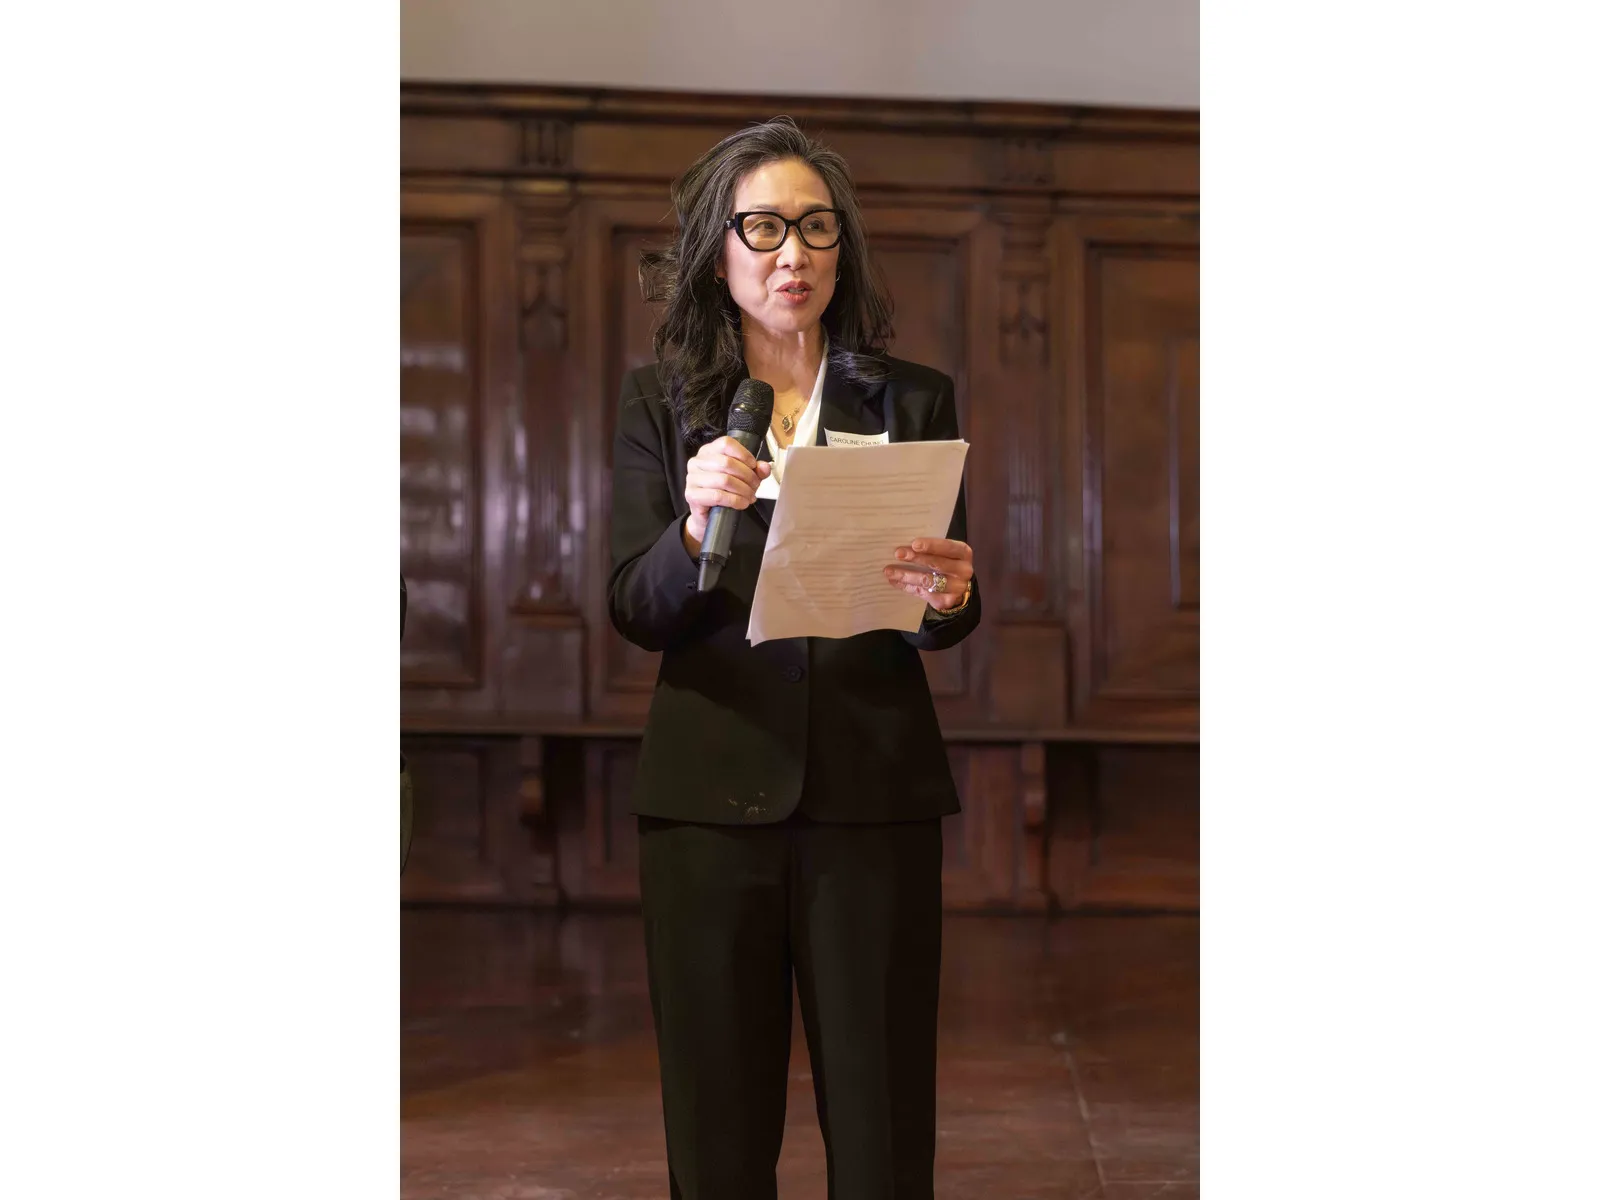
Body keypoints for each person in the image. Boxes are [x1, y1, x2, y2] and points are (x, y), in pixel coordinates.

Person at [608, 116, 981, 1200]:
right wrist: (689, 531)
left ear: (841, 249)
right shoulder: (660, 402)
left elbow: (941, 609)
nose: (793, 254)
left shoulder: (910, 398)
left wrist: (950, 596)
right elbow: (633, 606)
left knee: (881, 1115)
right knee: (717, 1125)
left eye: (816, 228)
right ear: (717, 252)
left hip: (873, 794)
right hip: (707, 799)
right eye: (764, 227)